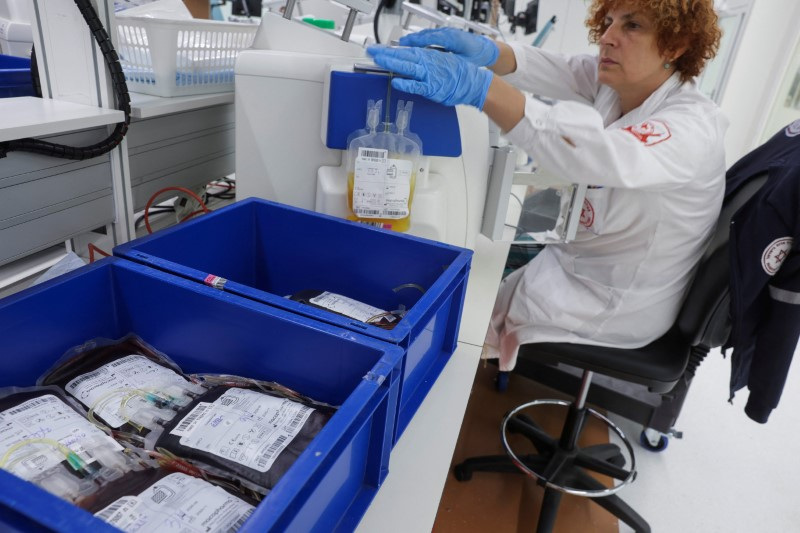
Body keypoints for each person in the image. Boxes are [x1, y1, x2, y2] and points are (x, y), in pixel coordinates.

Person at [367, 0, 726, 371]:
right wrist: (488, 52)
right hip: (578, 256)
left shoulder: (691, 128)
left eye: (632, 26)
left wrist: (482, 88)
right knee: (457, 261)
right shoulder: (622, 83)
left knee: (453, 303)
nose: (607, 38)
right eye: (608, 22)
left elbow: (600, 156)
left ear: (675, 44)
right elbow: (553, 68)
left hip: (612, 298)